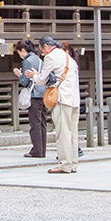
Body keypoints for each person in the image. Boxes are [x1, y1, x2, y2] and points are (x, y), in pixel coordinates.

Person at [28, 36, 80, 174]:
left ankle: (64, 164)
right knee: (72, 132)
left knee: (63, 133)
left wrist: (33, 76)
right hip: (74, 98)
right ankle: (73, 163)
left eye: (42, 51)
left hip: (62, 98)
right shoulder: (69, 58)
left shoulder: (51, 57)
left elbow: (41, 79)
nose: (43, 54)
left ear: (46, 47)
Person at [12, 38, 47, 158]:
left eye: (19, 52)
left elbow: (25, 81)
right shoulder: (39, 59)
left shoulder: (27, 61)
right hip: (44, 93)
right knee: (42, 123)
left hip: (34, 94)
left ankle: (37, 150)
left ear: (22, 51)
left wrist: (19, 75)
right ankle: (42, 149)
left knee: (35, 123)